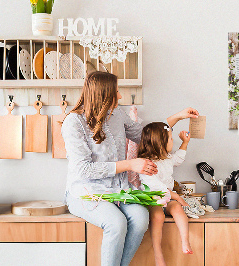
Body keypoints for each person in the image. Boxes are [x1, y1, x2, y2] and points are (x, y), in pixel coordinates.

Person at [61, 71, 199, 266]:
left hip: (120, 191)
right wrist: (129, 164)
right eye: (116, 91)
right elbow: (83, 169)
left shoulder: (117, 114)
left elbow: (146, 135)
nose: (120, 96)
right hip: (86, 193)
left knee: (141, 219)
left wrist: (178, 116)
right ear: (104, 95)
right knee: (116, 224)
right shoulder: (74, 123)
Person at [138, 122, 193, 266]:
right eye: (170, 138)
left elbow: (179, 159)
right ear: (159, 143)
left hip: (168, 198)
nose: (172, 140)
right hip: (153, 198)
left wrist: (185, 143)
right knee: (158, 216)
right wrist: (177, 196)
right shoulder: (147, 163)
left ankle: (185, 241)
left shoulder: (167, 158)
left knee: (178, 209)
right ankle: (158, 253)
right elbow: (155, 187)